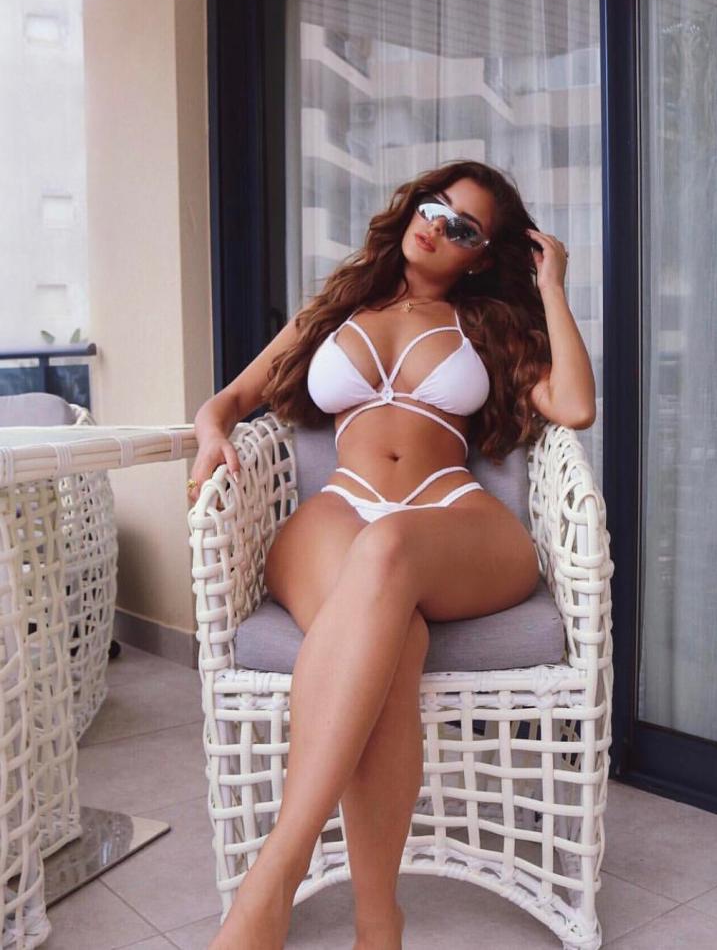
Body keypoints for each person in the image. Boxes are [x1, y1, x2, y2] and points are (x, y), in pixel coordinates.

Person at [189, 159, 596, 950]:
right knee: (393, 640)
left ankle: (271, 882)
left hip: (450, 517)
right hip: (339, 510)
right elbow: (230, 401)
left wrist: (552, 287)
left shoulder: (488, 325)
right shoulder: (338, 307)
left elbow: (575, 405)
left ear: (481, 255)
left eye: (463, 227)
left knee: (388, 549)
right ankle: (379, 924)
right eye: (434, 206)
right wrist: (211, 433)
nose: (437, 226)